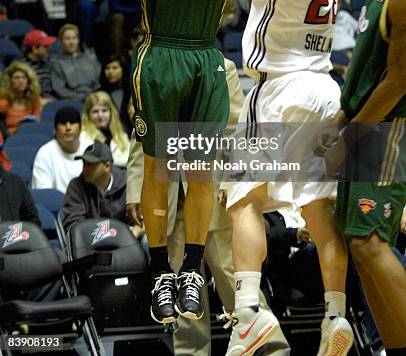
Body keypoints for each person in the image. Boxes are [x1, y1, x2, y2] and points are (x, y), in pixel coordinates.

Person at [178, 0, 351, 355]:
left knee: (243, 198)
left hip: (281, 91)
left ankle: (250, 312)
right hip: (322, 91)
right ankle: (335, 319)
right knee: (318, 213)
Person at [128, 0, 231, 325]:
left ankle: (191, 269)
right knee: (158, 166)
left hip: (205, 56)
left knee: (201, 170)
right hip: (161, 53)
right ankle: (157, 273)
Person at [126, 57, 290, 356]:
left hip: (211, 193)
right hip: (168, 202)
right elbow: (143, 134)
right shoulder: (154, 62)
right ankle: (191, 353)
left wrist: (233, 182)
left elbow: (234, 128)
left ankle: (271, 348)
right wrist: (137, 190)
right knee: (182, 294)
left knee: (234, 281)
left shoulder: (221, 67)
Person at [329, 0, 406, 355]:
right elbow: (366, 70)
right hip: (364, 125)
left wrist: (353, 131)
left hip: (387, 128)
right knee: (360, 246)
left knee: (372, 241)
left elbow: (398, 79)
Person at [63, 141, 127, 232]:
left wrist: (135, 232)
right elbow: (74, 227)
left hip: (125, 241)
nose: (84, 168)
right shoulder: (76, 186)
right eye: (84, 163)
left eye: (90, 164)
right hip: (89, 243)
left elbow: (142, 220)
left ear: (107, 166)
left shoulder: (128, 183)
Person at [32, 106, 92, 192]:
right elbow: (44, 194)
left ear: (80, 129)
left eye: (72, 122)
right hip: (56, 204)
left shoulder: (91, 148)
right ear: (54, 130)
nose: (68, 127)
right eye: (63, 123)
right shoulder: (45, 153)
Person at [50, 23, 100, 102]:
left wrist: (94, 96)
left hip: (95, 98)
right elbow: (59, 89)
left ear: (78, 40)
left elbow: (99, 82)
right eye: (67, 38)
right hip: (72, 100)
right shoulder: (57, 62)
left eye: (74, 38)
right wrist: (81, 98)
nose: (71, 42)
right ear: (61, 41)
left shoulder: (90, 59)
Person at [81, 91, 130, 167]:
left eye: (104, 110)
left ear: (111, 112)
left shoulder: (122, 136)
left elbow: (129, 161)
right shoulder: (83, 136)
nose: (100, 116)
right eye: (95, 111)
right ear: (88, 115)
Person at [0, 61, 41, 136]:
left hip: (30, 135)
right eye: (16, 78)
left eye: (24, 77)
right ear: (10, 81)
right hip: (9, 139)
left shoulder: (34, 99)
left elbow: (37, 122)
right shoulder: (3, 102)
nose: (21, 81)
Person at [99, 55, 133, 136]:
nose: (110, 71)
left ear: (123, 70)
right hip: (107, 135)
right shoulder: (99, 93)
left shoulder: (132, 90)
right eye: (107, 68)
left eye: (115, 68)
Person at [22, 28, 56, 101]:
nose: (49, 48)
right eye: (45, 46)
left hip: (52, 100)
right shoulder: (21, 68)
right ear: (35, 49)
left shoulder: (48, 63)